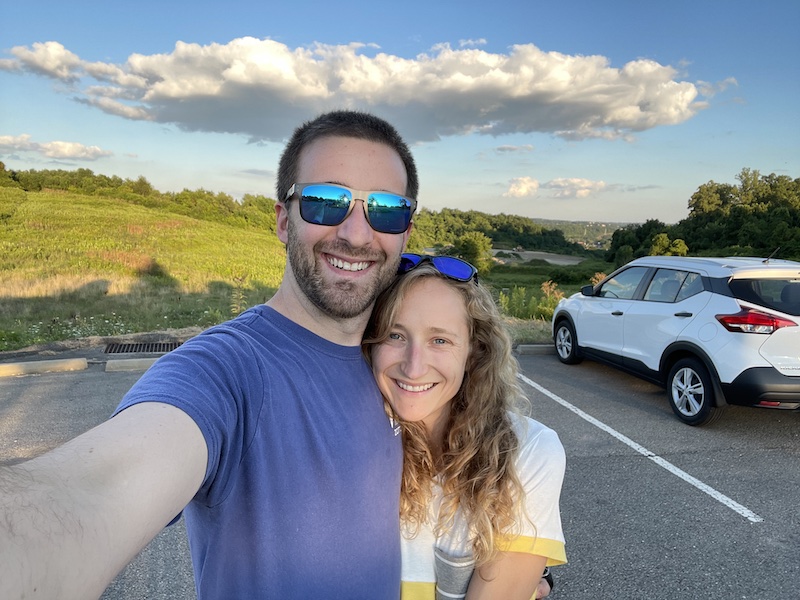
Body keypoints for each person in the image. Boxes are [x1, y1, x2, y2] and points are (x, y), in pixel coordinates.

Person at [0, 110, 420, 599]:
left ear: (406, 231)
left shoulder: (398, 365)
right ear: (284, 221)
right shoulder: (227, 370)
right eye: (327, 202)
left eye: (387, 210)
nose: (357, 234)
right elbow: (91, 492)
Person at [363, 254, 567, 599]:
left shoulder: (529, 452)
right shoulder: (348, 446)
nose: (414, 367)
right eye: (395, 336)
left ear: (475, 351)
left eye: (439, 340)